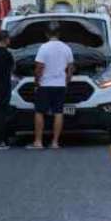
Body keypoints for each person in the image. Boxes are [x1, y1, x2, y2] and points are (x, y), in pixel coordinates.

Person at [30, 21, 74, 149]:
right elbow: (71, 68)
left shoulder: (43, 48)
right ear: (59, 33)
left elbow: (39, 67)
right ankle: (55, 142)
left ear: (46, 34)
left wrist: (37, 82)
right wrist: (66, 81)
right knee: (58, 112)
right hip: (60, 85)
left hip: (45, 85)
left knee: (39, 112)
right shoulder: (67, 48)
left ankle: (38, 142)